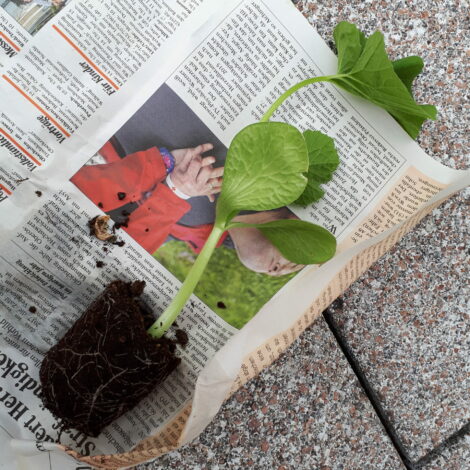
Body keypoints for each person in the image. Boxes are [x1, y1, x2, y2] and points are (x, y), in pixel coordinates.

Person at [71, 141, 224, 254]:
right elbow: (122, 252)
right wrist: (176, 191)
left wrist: (164, 162)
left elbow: (79, 187)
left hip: (131, 166)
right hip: (161, 215)